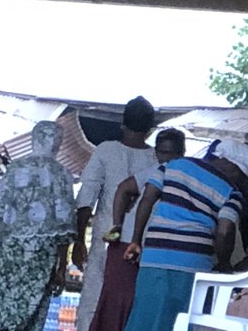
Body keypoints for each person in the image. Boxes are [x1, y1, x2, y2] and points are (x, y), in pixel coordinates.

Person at [122, 139, 248, 331]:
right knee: (181, 320)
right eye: (239, 172)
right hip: (193, 264)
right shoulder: (231, 192)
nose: (238, 177)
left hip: (155, 256)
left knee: (145, 316)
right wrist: (224, 262)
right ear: (227, 162)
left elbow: (147, 198)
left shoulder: (174, 166)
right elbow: (225, 230)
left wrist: (136, 240)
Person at [0, 121, 76, 331]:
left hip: (10, 253)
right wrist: (60, 267)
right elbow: (65, 227)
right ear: (57, 142)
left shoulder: (15, 169)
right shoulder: (62, 175)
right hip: (43, 256)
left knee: (4, 308)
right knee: (34, 312)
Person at [73, 96, 158, 331]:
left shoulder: (106, 151)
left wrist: (79, 240)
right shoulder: (156, 159)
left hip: (106, 239)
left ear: (123, 123)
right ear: (150, 129)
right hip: (140, 244)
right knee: (129, 304)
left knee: (94, 298)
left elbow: (86, 197)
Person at [89, 129, 186, 331]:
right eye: (162, 152)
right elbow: (124, 189)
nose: (166, 158)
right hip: (130, 244)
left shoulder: (177, 173)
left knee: (134, 304)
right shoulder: (157, 172)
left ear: (182, 152)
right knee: (118, 302)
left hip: (150, 248)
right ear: (156, 152)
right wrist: (117, 225)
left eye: (171, 153)